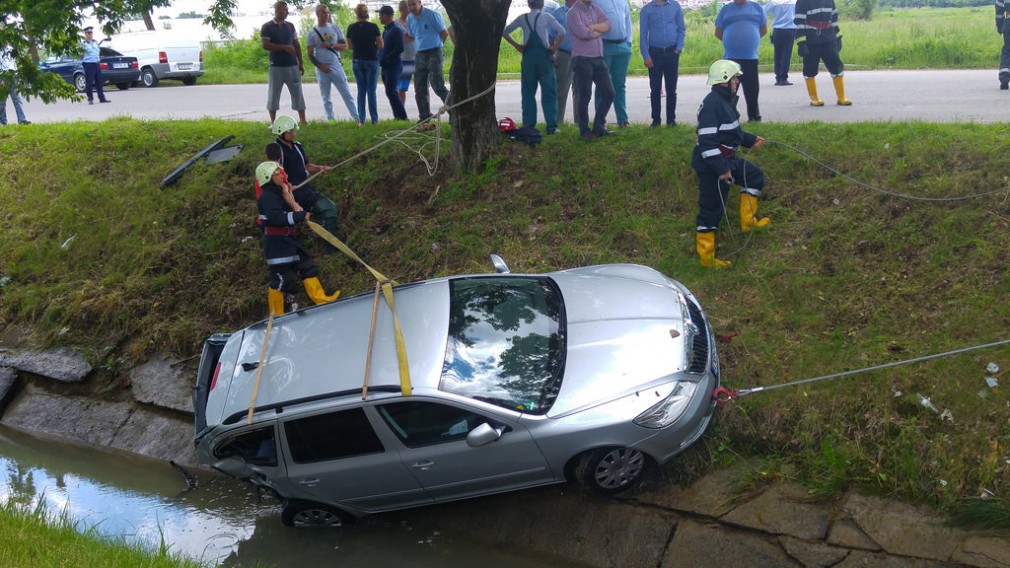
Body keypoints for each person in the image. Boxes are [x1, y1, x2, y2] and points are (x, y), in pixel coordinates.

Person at [692, 60, 770, 269]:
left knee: (754, 177)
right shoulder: (713, 105)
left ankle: (748, 222)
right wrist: (722, 169)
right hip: (712, 166)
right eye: (735, 77)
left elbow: (732, 132)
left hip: (727, 160)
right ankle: (706, 258)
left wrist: (751, 139)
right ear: (724, 81)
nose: (738, 81)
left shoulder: (725, 100)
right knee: (712, 209)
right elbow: (706, 144)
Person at [256, 161, 340, 316]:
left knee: (307, 266)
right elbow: (277, 218)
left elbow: (289, 208)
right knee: (281, 280)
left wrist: (293, 203)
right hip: (277, 246)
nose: (281, 176)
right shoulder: (267, 197)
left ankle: (321, 300)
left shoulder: (278, 193)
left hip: (289, 241)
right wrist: (299, 216)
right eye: (276, 174)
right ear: (268, 177)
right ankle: (276, 316)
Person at [271, 115, 340, 252]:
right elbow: (274, 173)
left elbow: (307, 165)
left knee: (330, 209)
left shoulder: (297, 146)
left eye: (293, 131)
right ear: (281, 133)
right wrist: (287, 185)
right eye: (290, 131)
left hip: (305, 191)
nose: (293, 134)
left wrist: (320, 168)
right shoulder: (276, 150)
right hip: (289, 196)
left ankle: (329, 245)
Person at [503, 0, 565, 134]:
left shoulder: (522, 18)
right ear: (542, 5)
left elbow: (505, 32)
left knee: (528, 93)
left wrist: (517, 45)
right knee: (549, 92)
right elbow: (562, 31)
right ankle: (552, 127)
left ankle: (528, 125)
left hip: (528, 58)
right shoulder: (547, 17)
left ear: (528, 4)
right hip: (544, 58)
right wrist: (554, 48)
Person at [306, 4, 360, 123]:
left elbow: (344, 46)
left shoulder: (335, 28)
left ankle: (357, 118)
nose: (326, 15)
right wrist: (320, 66)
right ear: (317, 14)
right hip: (321, 68)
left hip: (335, 65)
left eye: (328, 12)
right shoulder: (312, 33)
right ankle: (331, 120)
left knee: (346, 94)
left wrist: (332, 45)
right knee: (326, 97)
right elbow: (309, 54)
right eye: (323, 13)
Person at [714, 0, 766, 122]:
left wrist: (750, 41)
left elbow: (763, 29)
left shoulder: (757, 8)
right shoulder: (725, 9)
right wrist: (732, 42)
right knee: (728, 91)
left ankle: (754, 118)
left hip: (750, 57)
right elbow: (718, 32)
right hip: (730, 58)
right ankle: (729, 119)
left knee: (752, 90)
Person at [795, 0, 851, 105]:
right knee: (810, 68)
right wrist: (801, 42)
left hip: (829, 38)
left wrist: (838, 36)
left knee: (836, 65)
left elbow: (834, 19)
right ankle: (814, 98)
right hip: (811, 39)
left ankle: (841, 97)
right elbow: (799, 22)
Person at [639, 0, 685, 127]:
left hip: (672, 52)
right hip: (654, 54)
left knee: (672, 89)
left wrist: (679, 47)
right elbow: (643, 35)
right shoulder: (646, 10)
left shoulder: (675, 6)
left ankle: (671, 121)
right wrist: (646, 55)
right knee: (655, 89)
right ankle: (656, 121)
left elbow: (681, 28)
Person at [261, 1, 307, 125]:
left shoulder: (290, 26)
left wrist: (300, 63)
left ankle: (303, 120)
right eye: (284, 10)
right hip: (276, 66)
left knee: (297, 93)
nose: (287, 12)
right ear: (277, 10)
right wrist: (284, 47)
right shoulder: (267, 27)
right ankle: (273, 122)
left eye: (287, 10)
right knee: (273, 94)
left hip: (292, 65)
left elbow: (296, 43)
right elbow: (265, 45)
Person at [406, 0, 450, 122]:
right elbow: (412, 35)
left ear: (420, 3)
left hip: (434, 52)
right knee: (419, 87)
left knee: (438, 86)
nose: (411, 7)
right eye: (409, 5)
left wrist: (438, 46)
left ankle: (455, 112)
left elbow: (444, 33)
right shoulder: (410, 18)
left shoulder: (432, 15)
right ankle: (424, 117)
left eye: (413, 4)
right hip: (420, 54)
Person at [593, 0, 632, 128]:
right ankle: (600, 122)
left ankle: (623, 120)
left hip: (623, 46)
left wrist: (629, 42)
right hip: (605, 46)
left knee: (620, 85)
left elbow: (627, 19)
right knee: (601, 85)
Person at [346, 4, 383, 125]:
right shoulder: (373, 27)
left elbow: (349, 46)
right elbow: (381, 45)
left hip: (358, 60)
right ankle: (374, 120)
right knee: (371, 91)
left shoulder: (351, 28)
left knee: (361, 91)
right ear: (367, 13)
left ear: (356, 14)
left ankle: (361, 120)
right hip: (372, 60)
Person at [378, 5, 409, 120]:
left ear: (386, 15)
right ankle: (397, 116)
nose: (379, 17)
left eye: (380, 15)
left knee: (392, 91)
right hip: (385, 66)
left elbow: (399, 48)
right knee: (389, 92)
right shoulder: (386, 30)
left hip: (393, 66)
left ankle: (402, 117)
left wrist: (387, 59)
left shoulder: (396, 29)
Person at [549, 0, 576, 124]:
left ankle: (580, 122)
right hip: (564, 54)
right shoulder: (557, 14)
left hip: (581, 55)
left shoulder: (583, 11)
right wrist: (551, 54)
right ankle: (557, 122)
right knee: (561, 90)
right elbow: (549, 36)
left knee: (581, 90)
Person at [766, 0, 797, 86]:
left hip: (777, 30)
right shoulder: (794, 2)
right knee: (786, 55)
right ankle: (784, 78)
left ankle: (778, 77)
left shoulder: (774, 2)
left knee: (777, 54)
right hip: (789, 30)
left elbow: (764, 10)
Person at [0, 46, 30, 125]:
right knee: (1, 102)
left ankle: (22, 120)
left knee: (17, 99)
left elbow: (14, 62)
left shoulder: (11, 48)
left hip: (13, 75)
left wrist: (18, 77)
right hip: (2, 76)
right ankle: (3, 122)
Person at [80, 27, 110, 105]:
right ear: (85, 34)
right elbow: (81, 55)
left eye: (91, 33)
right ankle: (90, 98)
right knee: (89, 82)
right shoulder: (83, 44)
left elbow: (97, 52)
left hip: (96, 63)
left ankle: (102, 98)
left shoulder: (95, 42)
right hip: (88, 64)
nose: (90, 35)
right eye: (88, 33)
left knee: (99, 81)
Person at [396, 1, 416, 106]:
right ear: (401, 10)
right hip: (404, 60)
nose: (410, 9)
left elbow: (416, 36)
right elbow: (402, 39)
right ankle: (401, 113)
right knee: (402, 88)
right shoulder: (396, 24)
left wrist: (409, 36)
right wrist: (410, 36)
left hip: (418, 58)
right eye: (408, 7)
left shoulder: (415, 21)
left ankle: (425, 113)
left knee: (422, 87)